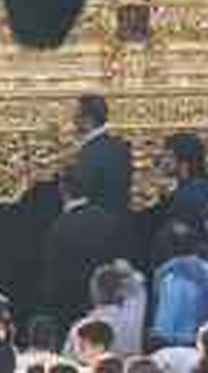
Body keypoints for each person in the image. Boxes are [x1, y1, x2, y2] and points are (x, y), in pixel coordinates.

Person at [41, 170, 129, 332]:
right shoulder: (109, 221)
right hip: (107, 309)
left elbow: (53, 278)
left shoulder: (58, 229)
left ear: (63, 190)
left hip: (69, 310)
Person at [72, 95, 133, 216]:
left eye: (76, 116)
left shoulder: (91, 152)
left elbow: (82, 191)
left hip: (96, 222)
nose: (73, 120)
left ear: (88, 119)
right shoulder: (120, 146)